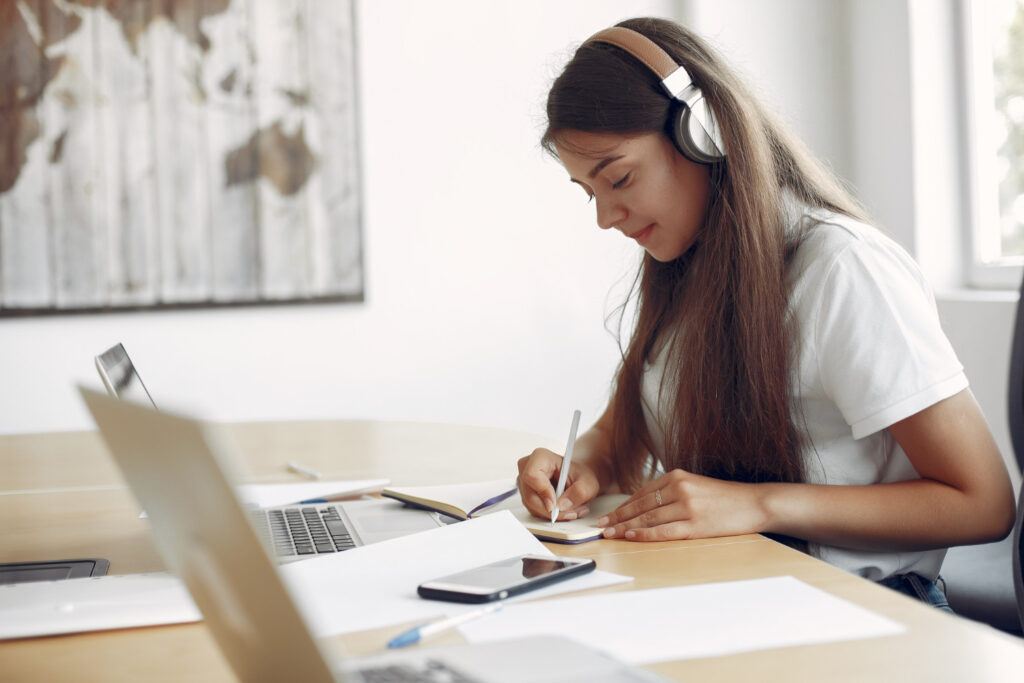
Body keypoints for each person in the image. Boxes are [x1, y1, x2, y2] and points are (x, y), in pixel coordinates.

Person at [516, 17, 1016, 608]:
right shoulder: (684, 266)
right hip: (737, 597)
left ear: (702, 132)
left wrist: (759, 504)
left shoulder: (842, 269)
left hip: (861, 609)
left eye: (619, 178)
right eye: (589, 193)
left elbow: (982, 502)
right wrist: (584, 467)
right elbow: (626, 431)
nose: (605, 218)